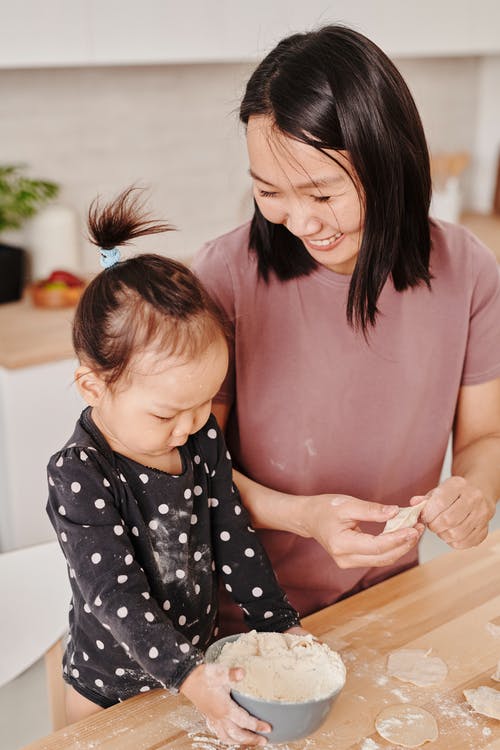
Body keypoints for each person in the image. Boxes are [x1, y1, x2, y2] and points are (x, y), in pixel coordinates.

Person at [192, 24, 500, 636]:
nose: (300, 221)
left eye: (322, 193)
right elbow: (187, 469)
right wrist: (304, 518)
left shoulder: (468, 270)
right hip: (242, 620)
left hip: (390, 602)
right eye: (268, 192)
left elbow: (485, 435)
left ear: (390, 163)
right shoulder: (223, 277)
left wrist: (475, 493)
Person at [46, 187, 303, 746]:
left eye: (204, 401)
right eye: (168, 411)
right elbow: (115, 593)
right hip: (107, 693)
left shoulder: (199, 435)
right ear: (94, 386)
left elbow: (233, 536)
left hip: (196, 677)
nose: (191, 425)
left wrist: (280, 629)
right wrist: (186, 676)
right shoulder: (79, 473)